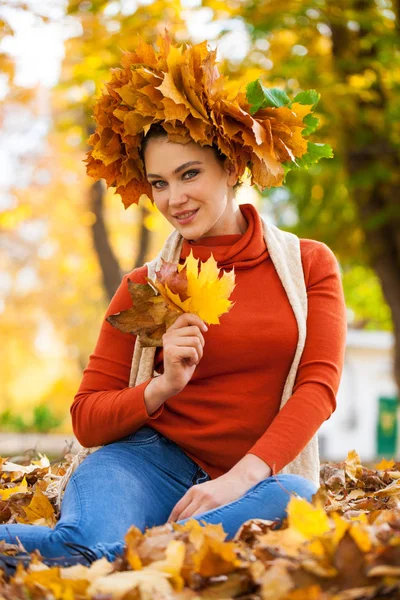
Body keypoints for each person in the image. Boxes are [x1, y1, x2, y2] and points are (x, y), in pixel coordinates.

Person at [0, 33, 347, 568]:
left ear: (231, 168)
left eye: (190, 174)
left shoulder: (308, 266)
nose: (174, 198)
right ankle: (112, 553)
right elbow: (86, 419)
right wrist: (161, 387)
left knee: (293, 501)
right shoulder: (144, 285)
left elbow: (318, 388)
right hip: (143, 465)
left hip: (256, 481)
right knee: (92, 539)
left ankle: (100, 557)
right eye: (160, 182)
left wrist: (239, 479)